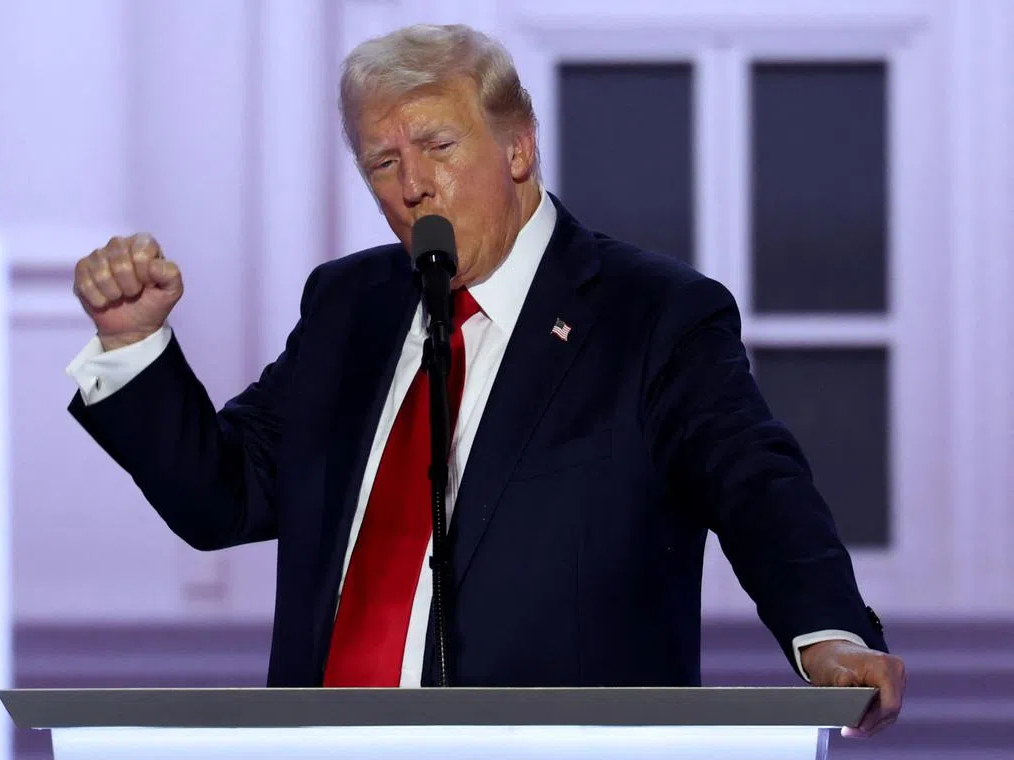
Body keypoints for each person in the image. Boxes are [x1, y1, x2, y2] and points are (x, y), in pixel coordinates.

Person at [66, 23, 905, 736]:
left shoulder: (653, 315)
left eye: (436, 145)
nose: (412, 187)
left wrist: (825, 632)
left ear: (517, 146)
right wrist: (134, 346)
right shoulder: (348, 306)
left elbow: (757, 484)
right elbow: (225, 497)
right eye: (381, 163)